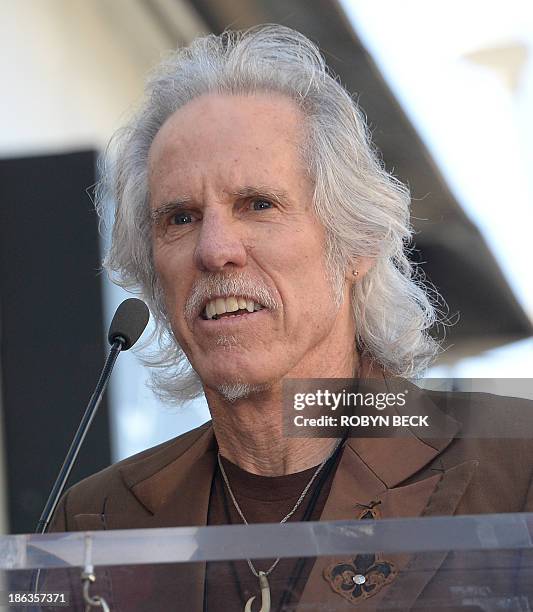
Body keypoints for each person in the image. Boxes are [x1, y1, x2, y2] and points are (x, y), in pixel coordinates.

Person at [49, 25, 532, 611]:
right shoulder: (96, 520)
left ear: (354, 246)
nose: (214, 249)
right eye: (180, 217)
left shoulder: (514, 465)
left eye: (258, 204)